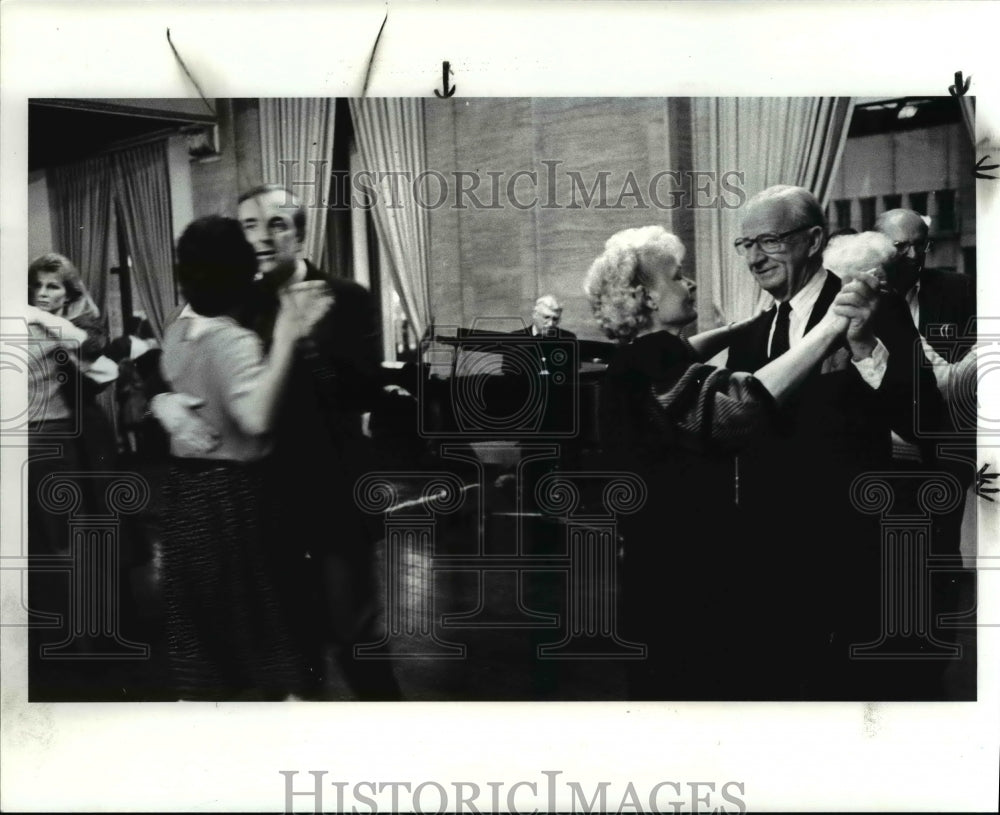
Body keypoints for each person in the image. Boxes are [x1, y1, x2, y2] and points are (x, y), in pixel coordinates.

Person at [585, 225, 860, 699]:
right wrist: (830, 328)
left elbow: (684, 353)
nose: (690, 283)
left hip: (655, 568)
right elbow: (738, 409)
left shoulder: (634, 359)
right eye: (677, 277)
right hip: (685, 573)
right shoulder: (654, 360)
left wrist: (744, 328)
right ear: (646, 297)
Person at [151, 185, 401, 700]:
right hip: (261, 511)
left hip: (331, 496)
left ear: (300, 234)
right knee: (289, 648)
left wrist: (304, 342)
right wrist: (164, 404)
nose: (263, 237)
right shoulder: (234, 298)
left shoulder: (345, 296)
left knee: (357, 635)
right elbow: (174, 361)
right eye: (249, 226)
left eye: (277, 224)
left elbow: (361, 390)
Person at [725, 186, 946, 699]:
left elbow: (927, 421)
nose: (755, 257)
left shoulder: (873, 306)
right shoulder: (752, 333)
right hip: (773, 567)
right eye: (745, 244)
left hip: (854, 564)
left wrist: (867, 349)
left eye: (770, 240)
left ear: (814, 239)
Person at [158, 215, 331, 700]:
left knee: (206, 627)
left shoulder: (177, 327)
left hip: (185, 495)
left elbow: (166, 374)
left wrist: (163, 402)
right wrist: (286, 339)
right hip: (232, 498)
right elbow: (255, 420)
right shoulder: (234, 341)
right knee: (259, 626)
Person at [26, 253, 120, 699]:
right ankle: (79, 644)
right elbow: (86, 346)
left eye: (52, 287)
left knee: (68, 540)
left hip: (67, 439)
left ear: (68, 290)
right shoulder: (34, 326)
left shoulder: (44, 325)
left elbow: (92, 351)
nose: (42, 294)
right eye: (38, 286)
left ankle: (82, 642)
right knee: (60, 543)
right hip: (45, 440)